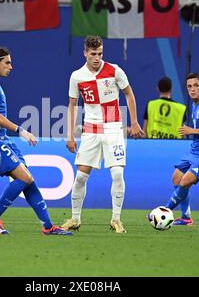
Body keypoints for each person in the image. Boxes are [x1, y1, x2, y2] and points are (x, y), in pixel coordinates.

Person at [0, 45, 72, 236]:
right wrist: (21, 131)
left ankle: (48, 226)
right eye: (7, 63)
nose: (11, 67)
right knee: (25, 178)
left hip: (1, 140)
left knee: (28, 180)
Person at [62, 35, 144, 234]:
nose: (97, 58)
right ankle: (75, 218)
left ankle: (116, 219)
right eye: (93, 54)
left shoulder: (115, 70)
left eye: (100, 53)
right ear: (85, 53)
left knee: (117, 173)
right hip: (90, 129)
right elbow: (72, 105)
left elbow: (129, 93)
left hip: (113, 127)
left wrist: (133, 122)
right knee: (81, 177)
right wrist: (70, 135)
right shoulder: (77, 76)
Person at [164, 73, 199, 225]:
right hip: (194, 151)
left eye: (196, 85)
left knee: (185, 181)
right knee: (176, 177)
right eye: (189, 86)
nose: (192, 89)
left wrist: (191, 131)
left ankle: (164, 211)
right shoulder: (194, 104)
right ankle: (185, 217)